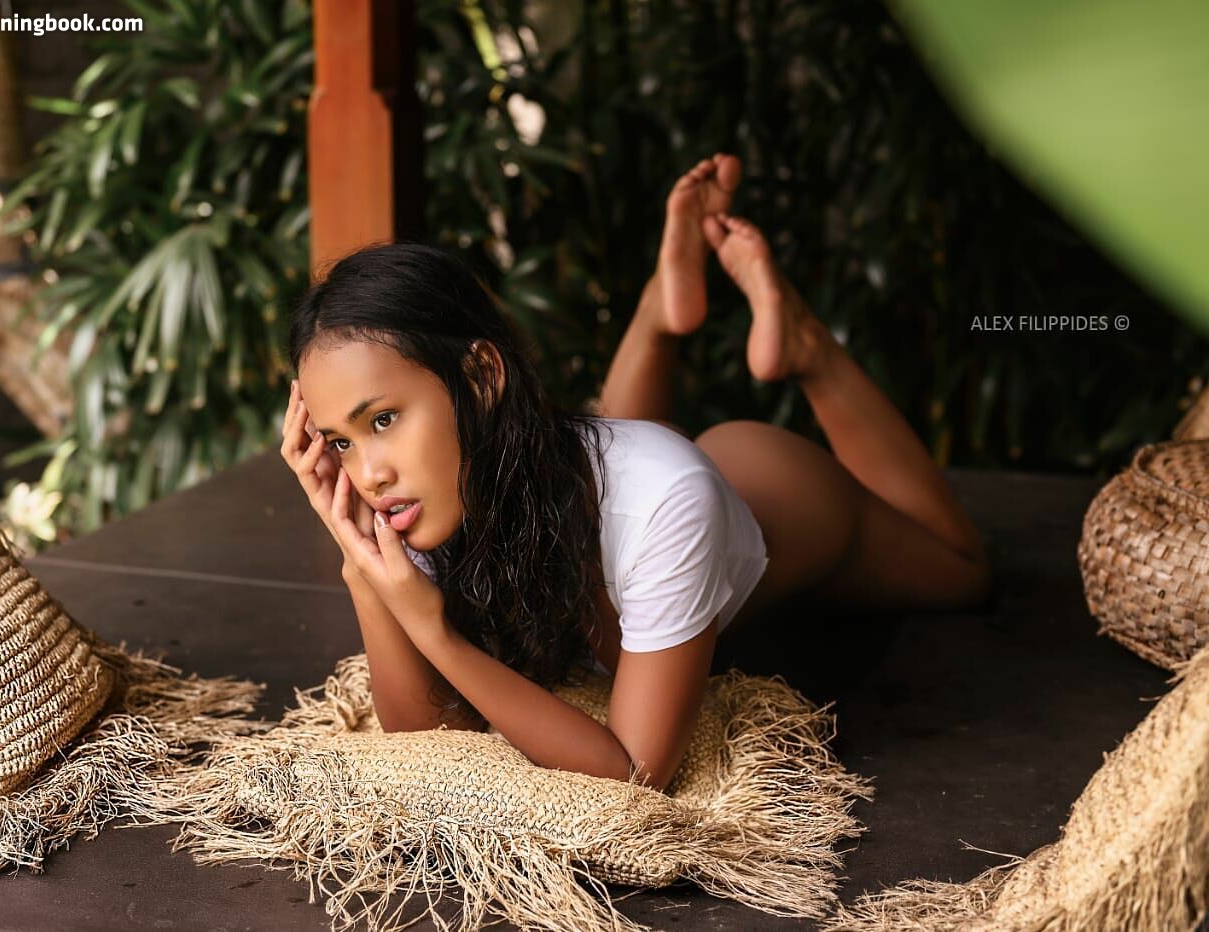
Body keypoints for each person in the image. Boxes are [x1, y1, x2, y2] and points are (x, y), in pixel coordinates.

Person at [279, 154, 991, 794]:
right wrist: (361, 567)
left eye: (382, 420)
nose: (367, 473)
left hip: (773, 486)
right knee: (585, 467)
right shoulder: (421, 494)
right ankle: (660, 306)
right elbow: (428, 738)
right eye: (340, 441)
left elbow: (634, 774)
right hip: (605, 468)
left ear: (481, 374)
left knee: (961, 573)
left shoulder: (661, 498)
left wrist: (434, 631)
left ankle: (807, 348)